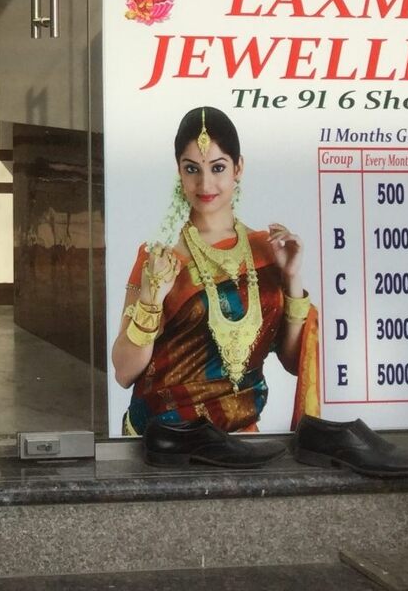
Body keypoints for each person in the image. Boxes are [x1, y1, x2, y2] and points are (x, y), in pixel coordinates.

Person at [111, 105, 319, 458]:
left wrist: (291, 278)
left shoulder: (267, 250)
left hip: (243, 443)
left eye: (218, 167)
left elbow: (291, 360)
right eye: (192, 169)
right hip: (171, 443)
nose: (205, 184)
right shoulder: (160, 259)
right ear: (179, 171)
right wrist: (151, 300)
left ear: (239, 167)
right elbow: (124, 372)